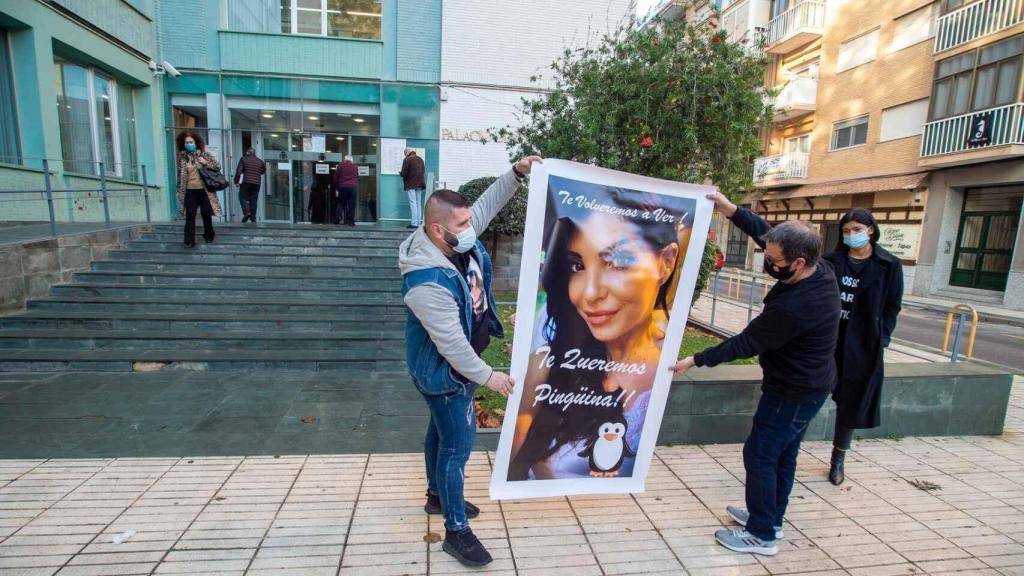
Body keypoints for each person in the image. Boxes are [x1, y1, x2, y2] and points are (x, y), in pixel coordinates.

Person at [672, 191, 840, 557]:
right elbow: (766, 232)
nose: (768, 261)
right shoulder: (819, 268)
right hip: (809, 386)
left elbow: (747, 343)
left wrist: (696, 360)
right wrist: (732, 210)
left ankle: (762, 534)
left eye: (773, 260)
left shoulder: (797, 306)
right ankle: (769, 517)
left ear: (797, 262)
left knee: (761, 454)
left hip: (792, 392)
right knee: (783, 454)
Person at [399, 155, 542, 567]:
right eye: (462, 226)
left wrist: (517, 173)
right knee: (457, 448)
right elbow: (452, 347)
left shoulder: (451, 235)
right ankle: (456, 532)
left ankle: (436, 497)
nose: (470, 229)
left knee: (439, 432)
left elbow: (484, 207)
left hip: (453, 364)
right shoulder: (425, 282)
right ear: (436, 229)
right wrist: (490, 378)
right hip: (445, 372)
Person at [507, 189, 691, 481]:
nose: (590, 293)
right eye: (577, 266)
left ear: (666, 262)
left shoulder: (666, 361)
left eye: (617, 262)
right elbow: (514, 467)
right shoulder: (548, 364)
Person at [822, 208, 903, 485]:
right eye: (846, 231)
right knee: (809, 393)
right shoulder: (830, 261)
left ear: (870, 230)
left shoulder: (889, 265)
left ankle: (838, 459)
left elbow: (892, 306)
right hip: (828, 340)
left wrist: (883, 337)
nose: (851, 235)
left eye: (856, 229)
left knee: (851, 403)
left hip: (863, 344)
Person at [175, 132, 221, 248]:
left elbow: (217, 166)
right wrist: (179, 191)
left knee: (206, 213)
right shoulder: (182, 158)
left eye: (191, 142)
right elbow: (180, 176)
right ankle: (189, 240)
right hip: (190, 190)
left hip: (204, 189)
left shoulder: (205, 155)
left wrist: (206, 163)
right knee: (190, 214)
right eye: (186, 142)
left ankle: (209, 235)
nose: (188, 144)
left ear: (196, 143)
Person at [234, 148, 265, 223]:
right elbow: (263, 171)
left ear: (247, 152)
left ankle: (247, 213)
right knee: (254, 201)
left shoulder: (243, 159)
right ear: (255, 153)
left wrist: (236, 181)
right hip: (256, 183)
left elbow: (239, 171)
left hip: (246, 182)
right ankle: (253, 219)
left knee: (243, 197)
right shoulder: (260, 161)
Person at [400, 147, 426, 229]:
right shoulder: (420, 159)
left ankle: (414, 223)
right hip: (420, 184)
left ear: (407, 152)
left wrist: (400, 173)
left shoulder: (407, 159)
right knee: (418, 202)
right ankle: (419, 222)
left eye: (405, 153)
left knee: (413, 202)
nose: (405, 155)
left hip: (411, 184)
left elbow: (403, 173)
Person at [333, 155, 359, 226]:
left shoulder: (340, 166)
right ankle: (351, 221)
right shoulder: (355, 166)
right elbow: (357, 176)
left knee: (341, 203)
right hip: (353, 187)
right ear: (351, 160)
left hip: (343, 187)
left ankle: (338, 219)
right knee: (351, 204)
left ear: (345, 159)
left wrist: (337, 187)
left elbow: (336, 177)